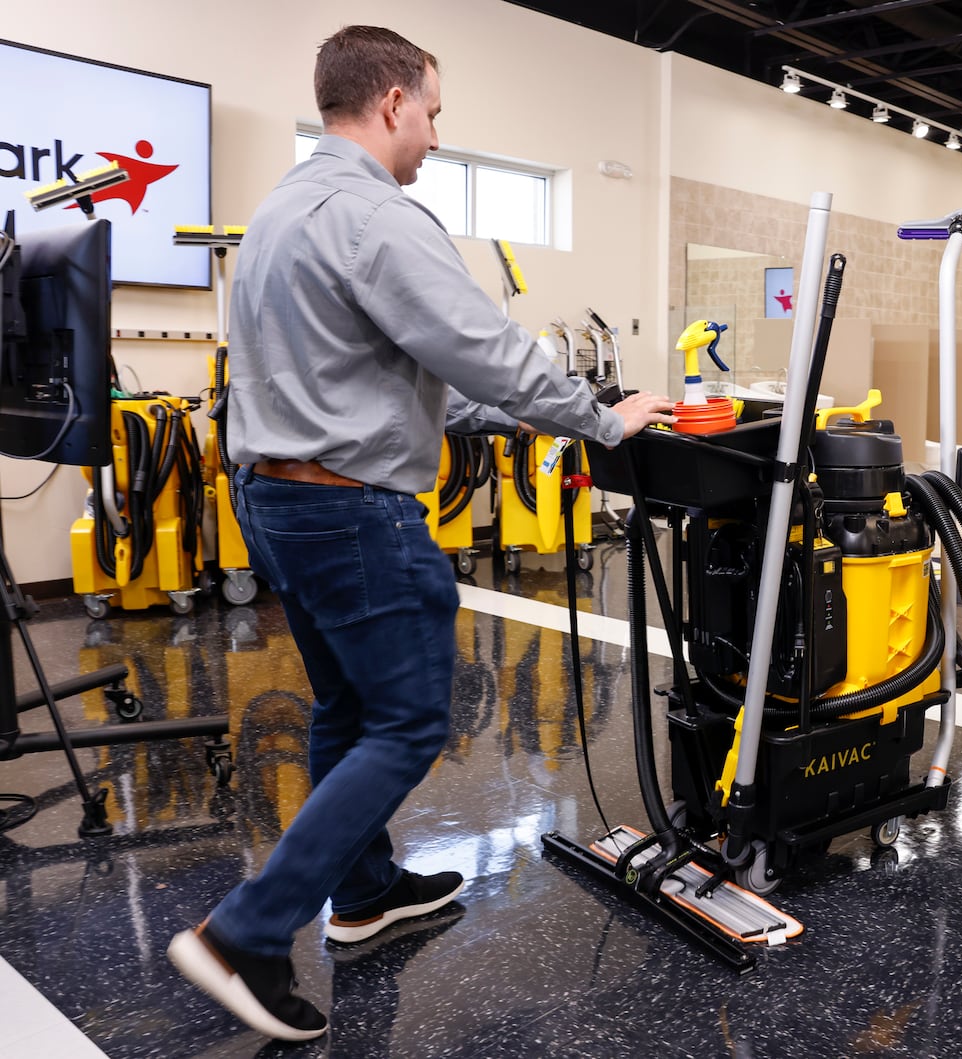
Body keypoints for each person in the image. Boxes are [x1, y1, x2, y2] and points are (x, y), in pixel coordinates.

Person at [166, 25, 675, 1042]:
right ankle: (247, 932)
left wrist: (504, 416)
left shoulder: (281, 210)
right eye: (434, 112)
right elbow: (483, 347)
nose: (437, 135)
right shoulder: (377, 214)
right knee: (406, 720)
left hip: (278, 500)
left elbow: (376, 373)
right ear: (393, 100)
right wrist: (600, 419)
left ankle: (361, 895)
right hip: (353, 508)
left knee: (344, 710)